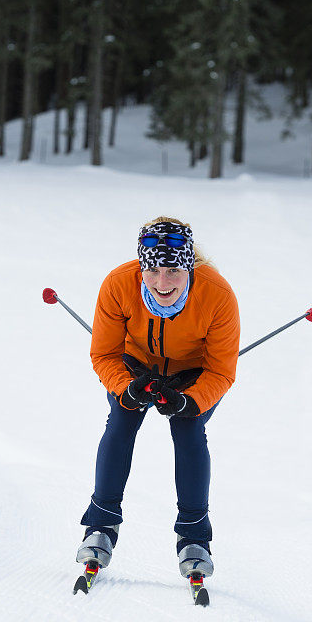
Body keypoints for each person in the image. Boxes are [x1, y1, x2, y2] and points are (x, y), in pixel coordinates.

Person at [76, 216, 240, 579]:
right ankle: (100, 527)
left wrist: (189, 402)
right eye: (152, 271)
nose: (161, 283)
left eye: (173, 272)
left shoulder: (218, 295)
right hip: (135, 366)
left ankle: (194, 537)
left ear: (190, 267)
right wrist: (126, 388)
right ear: (141, 267)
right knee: (121, 420)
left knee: (188, 429)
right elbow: (103, 355)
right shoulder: (119, 285)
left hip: (192, 373)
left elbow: (221, 371)